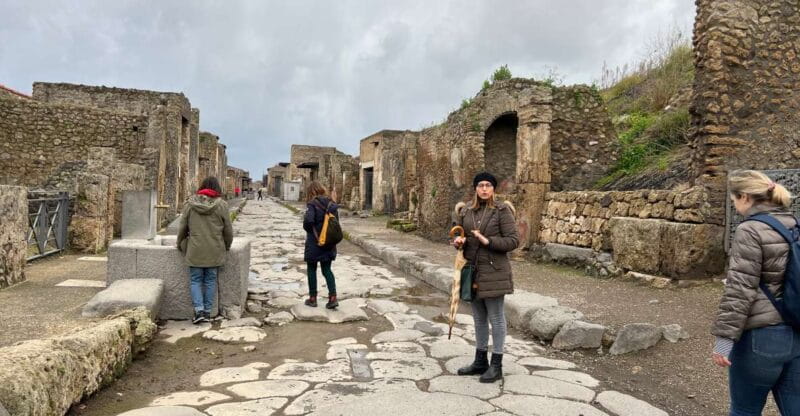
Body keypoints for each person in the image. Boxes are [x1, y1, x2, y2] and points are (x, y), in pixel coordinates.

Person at [711, 169, 799, 415]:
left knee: (745, 409)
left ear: (746, 197)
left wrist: (724, 340)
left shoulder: (750, 230)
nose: (735, 206)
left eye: (734, 200)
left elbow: (740, 288)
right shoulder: (795, 224)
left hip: (762, 338)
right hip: (797, 332)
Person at [452, 172, 519, 383]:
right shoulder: (467, 211)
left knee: (496, 318)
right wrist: (458, 240)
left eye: (488, 185)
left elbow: (513, 241)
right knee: (479, 318)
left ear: (493, 189)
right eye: (480, 185)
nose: (483, 189)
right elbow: (456, 231)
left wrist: (487, 241)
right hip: (471, 271)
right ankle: (480, 361)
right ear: (475, 188)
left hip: (495, 272)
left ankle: (496, 365)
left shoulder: (502, 211)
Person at [177, 176, 234, 324]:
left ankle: (198, 311)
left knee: (195, 280)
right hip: (214, 248)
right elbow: (228, 230)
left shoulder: (190, 204)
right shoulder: (222, 205)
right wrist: (226, 246)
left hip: (195, 248)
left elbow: (183, 227)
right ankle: (208, 312)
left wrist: (179, 243)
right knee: (210, 280)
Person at [303, 181, 339, 309]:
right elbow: (336, 224)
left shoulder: (312, 204)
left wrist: (308, 226)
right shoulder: (332, 204)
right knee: (327, 270)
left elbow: (309, 221)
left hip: (315, 242)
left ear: (312, 192)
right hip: (329, 242)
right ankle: (333, 297)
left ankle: (313, 298)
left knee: (311, 269)